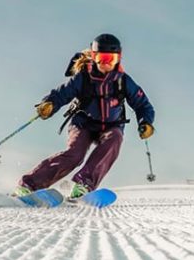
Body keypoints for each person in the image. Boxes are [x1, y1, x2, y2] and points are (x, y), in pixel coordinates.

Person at [13, 33, 155, 198]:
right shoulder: (83, 78)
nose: (106, 63)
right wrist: (50, 104)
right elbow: (62, 94)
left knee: (114, 139)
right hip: (84, 123)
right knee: (75, 155)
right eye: (102, 58)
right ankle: (29, 184)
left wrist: (145, 122)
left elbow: (143, 105)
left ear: (119, 59)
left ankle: (84, 186)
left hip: (111, 125)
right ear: (94, 57)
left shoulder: (124, 81)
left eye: (112, 59)